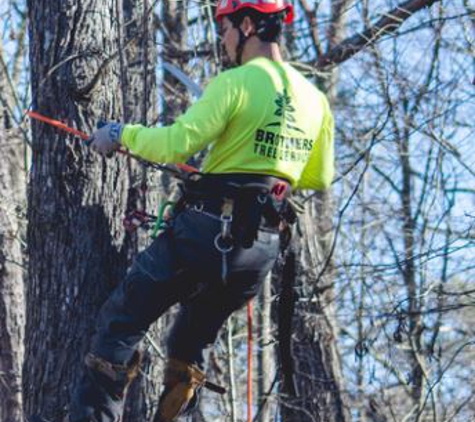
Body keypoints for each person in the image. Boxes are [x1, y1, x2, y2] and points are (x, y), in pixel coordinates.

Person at [71, 1, 335, 421]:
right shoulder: (315, 100)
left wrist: (119, 133)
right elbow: (317, 176)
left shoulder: (237, 83)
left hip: (206, 233)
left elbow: (174, 144)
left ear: (248, 24)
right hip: (258, 252)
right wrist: (251, 167)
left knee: (121, 322)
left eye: (226, 28)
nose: (223, 39)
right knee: (190, 342)